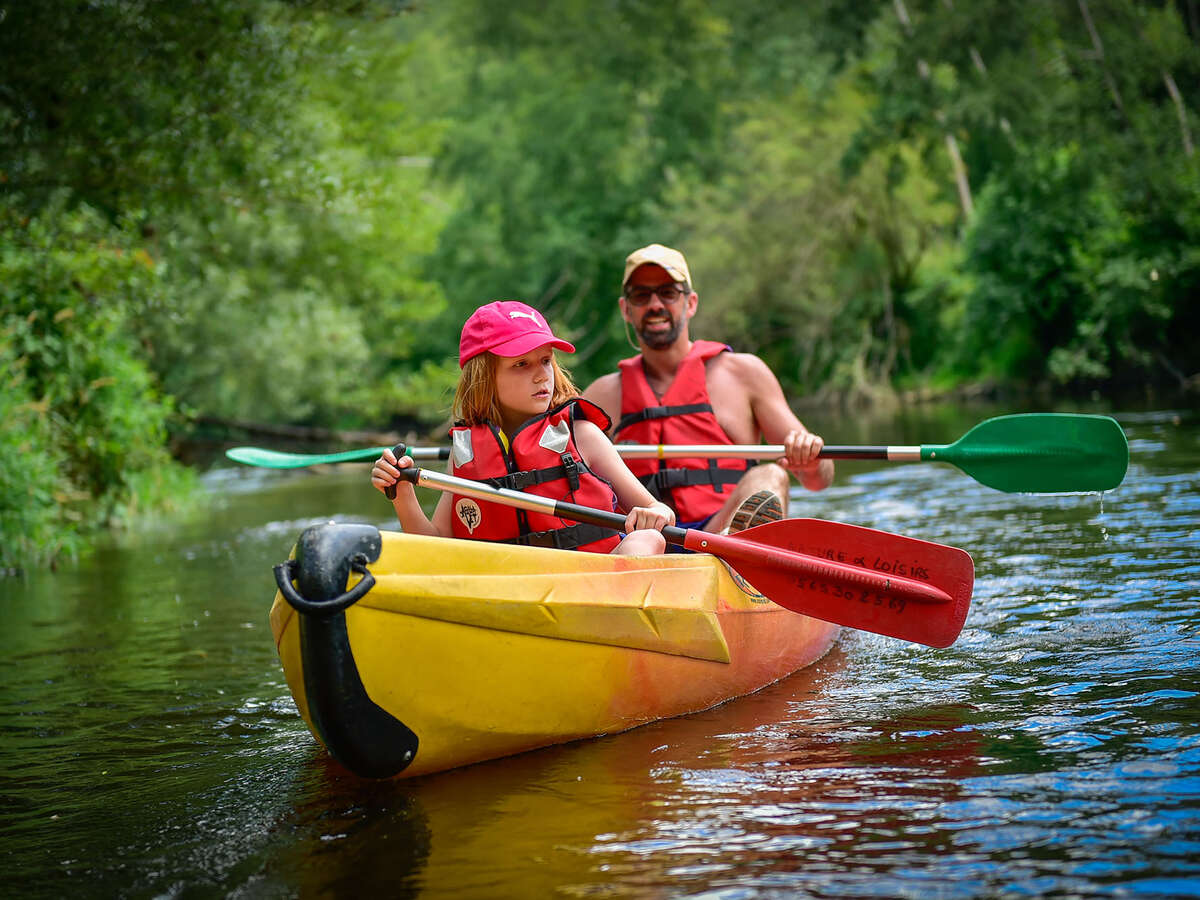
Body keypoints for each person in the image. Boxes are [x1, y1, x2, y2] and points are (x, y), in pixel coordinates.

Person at [372, 300, 674, 556]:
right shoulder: (466, 452)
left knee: (647, 539)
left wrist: (654, 514)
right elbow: (436, 549)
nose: (542, 376)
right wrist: (402, 493)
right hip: (509, 586)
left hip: (591, 583)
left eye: (545, 361)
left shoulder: (581, 435)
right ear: (484, 377)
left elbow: (659, 510)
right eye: (521, 364)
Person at [581, 243, 834, 534]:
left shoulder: (744, 374)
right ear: (626, 309)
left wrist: (810, 460)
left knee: (771, 476)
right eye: (641, 295)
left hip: (719, 531)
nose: (655, 305)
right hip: (644, 540)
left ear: (691, 303)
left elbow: (819, 480)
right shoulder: (601, 396)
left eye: (668, 293)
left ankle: (739, 544)